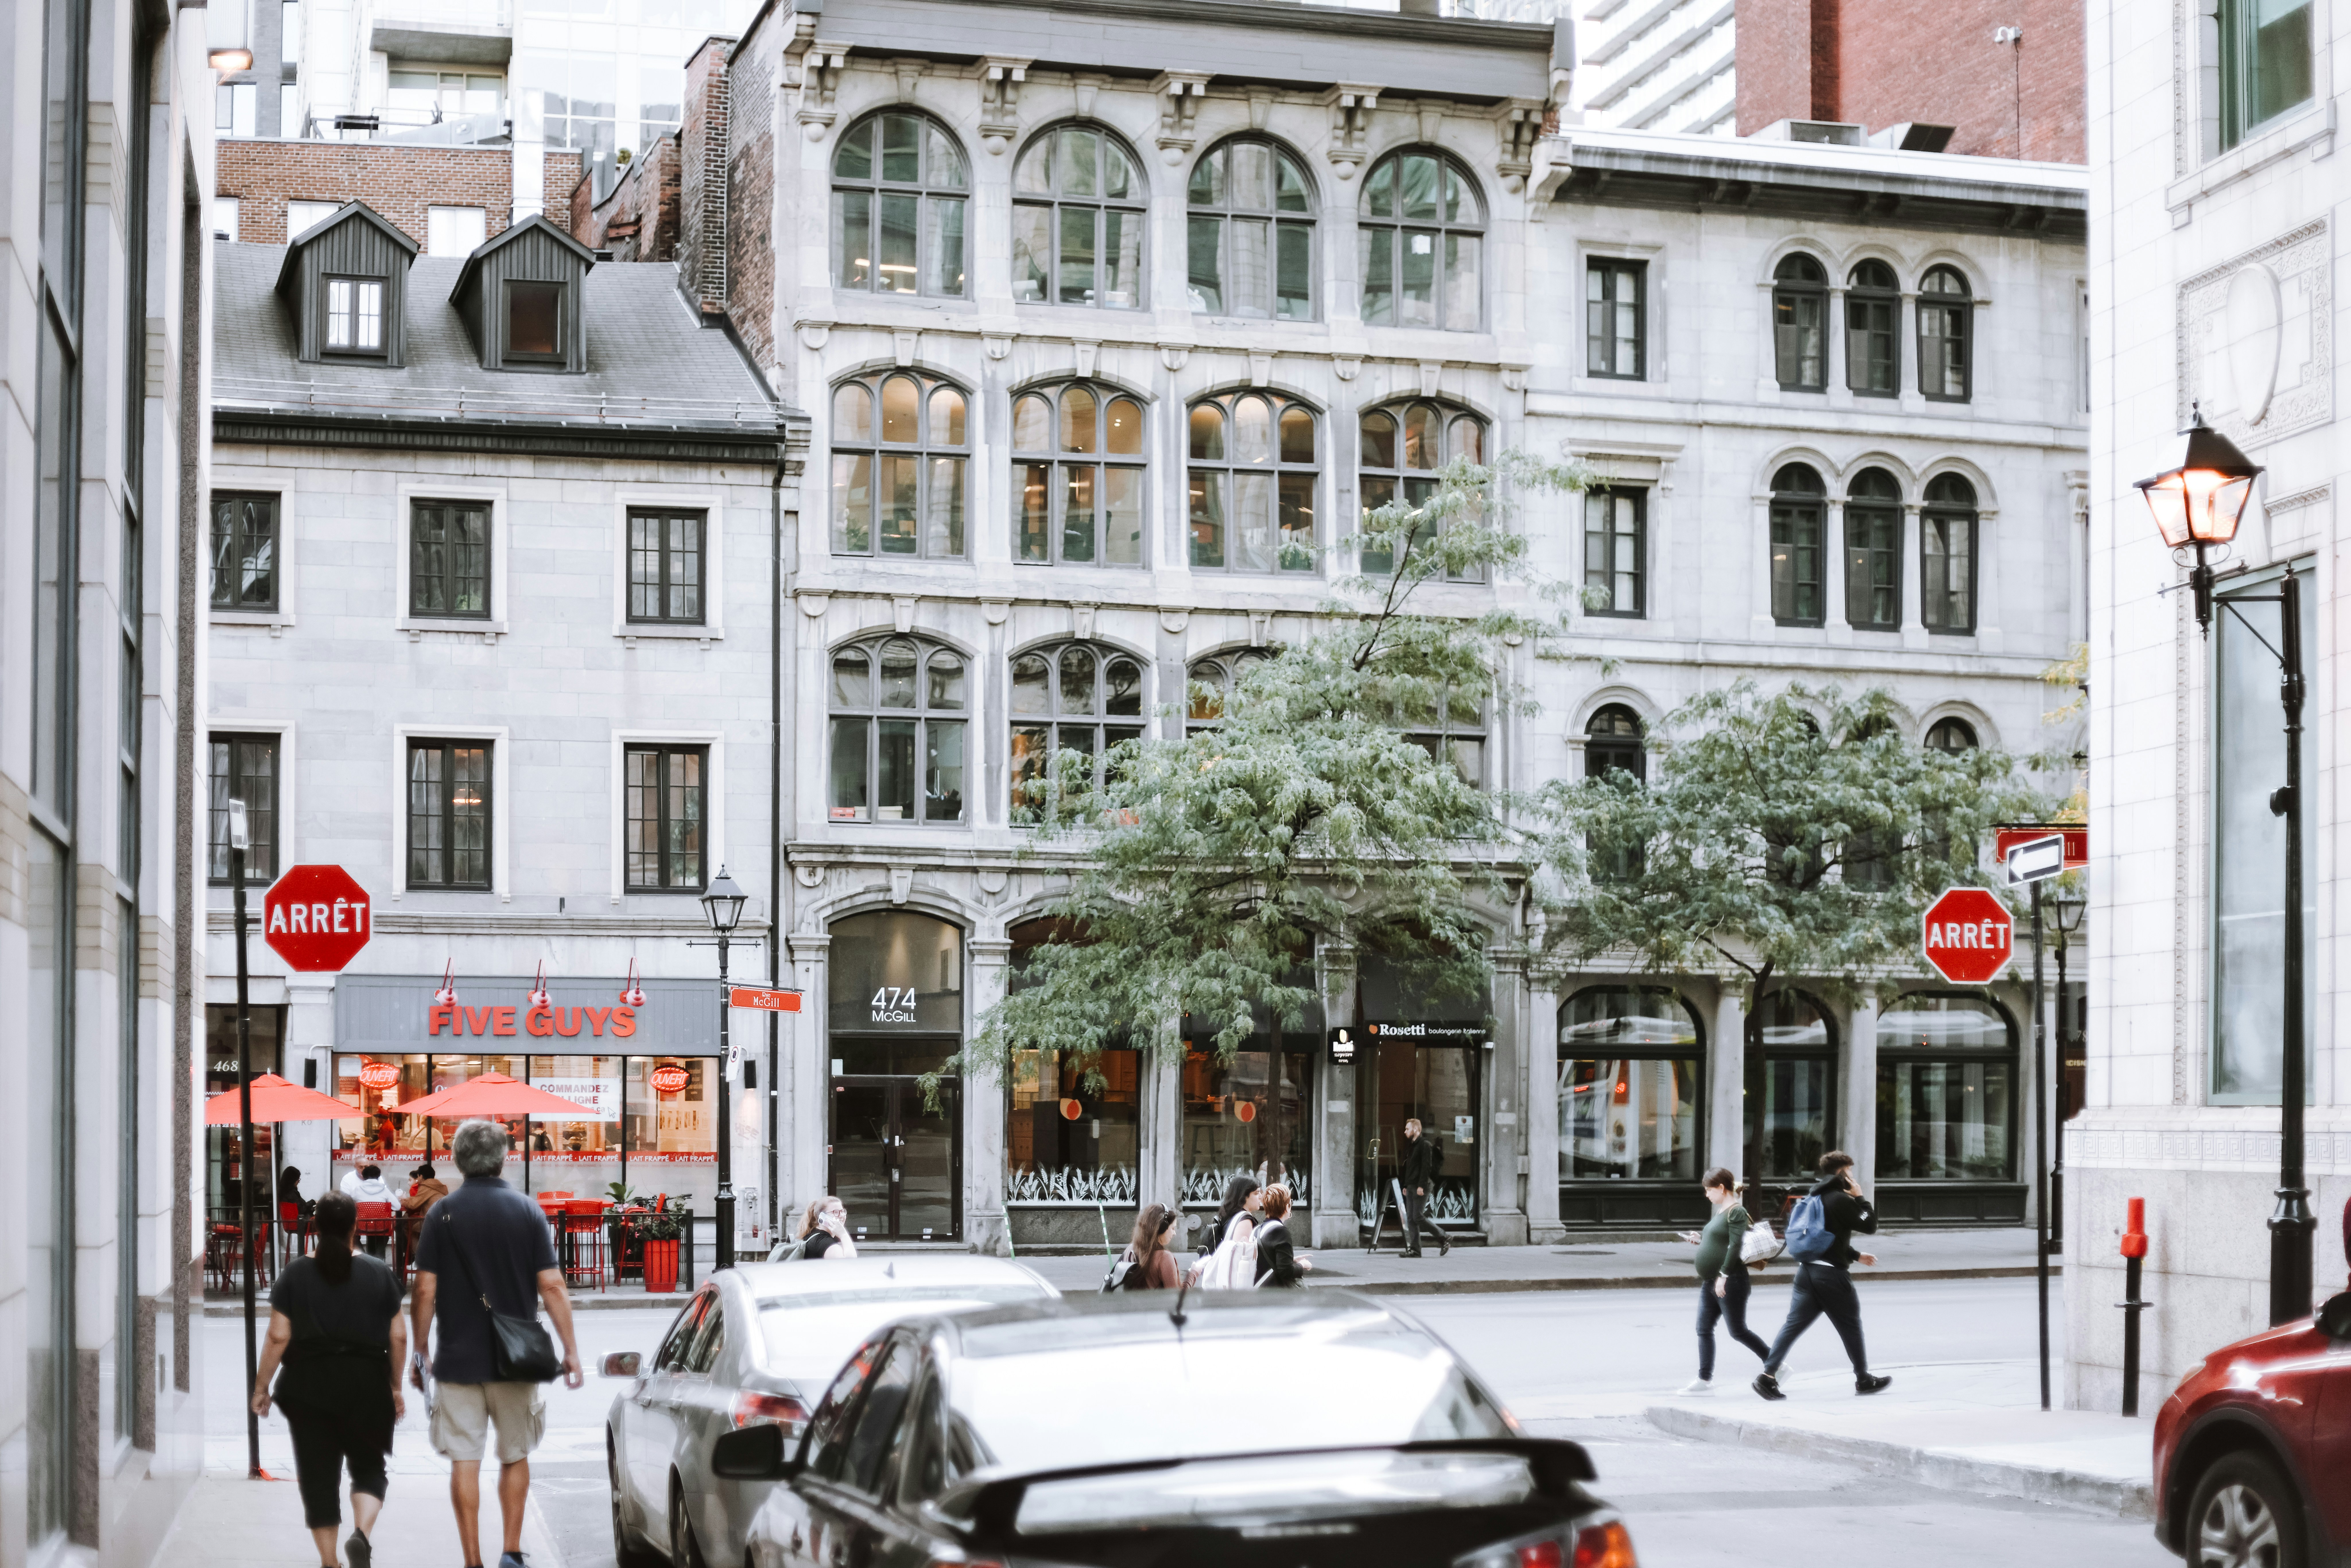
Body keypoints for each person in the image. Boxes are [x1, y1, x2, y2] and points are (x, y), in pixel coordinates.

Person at [411, 1119, 584, 1568]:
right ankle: (511, 1550)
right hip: (516, 1360)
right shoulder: (527, 1211)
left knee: (464, 1460)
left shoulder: (440, 1213)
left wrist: (421, 1349)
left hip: (457, 1359)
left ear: (458, 1160)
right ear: (503, 1158)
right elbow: (551, 1287)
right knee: (515, 1454)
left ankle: (473, 1560)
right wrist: (570, 1350)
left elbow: (425, 1291)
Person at [251, 1192, 407, 1568]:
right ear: (356, 1227)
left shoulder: (295, 1274)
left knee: (319, 1477)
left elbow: (277, 1336)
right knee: (369, 1468)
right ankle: (361, 1535)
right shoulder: (378, 1273)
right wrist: (396, 1386)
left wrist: (262, 1387)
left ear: (315, 1227)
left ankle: (330, 1563)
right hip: (368, 1383)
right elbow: (399, 1336)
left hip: (309, 1387)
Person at [1754, 1150, 1890, 1401]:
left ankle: (1767, 1377)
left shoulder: (1813, 1197)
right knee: (1851, 1326)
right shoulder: (1840, 1200)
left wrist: (1855, 1254)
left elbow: (1825, 1236)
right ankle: (1863, 1379)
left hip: (1806, 1273)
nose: (1852, 1175)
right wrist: (1861, 1198)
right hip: (1831, 1277)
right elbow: (1870, 1224)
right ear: (1844, 1172)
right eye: (1850, 1170)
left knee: (1792, 1326)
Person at [1676, 1168, 1771, 1395]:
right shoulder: (1721, 1211)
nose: (1707, 1194)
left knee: (1738, 1331)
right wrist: (1700, 1239)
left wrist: (1724, 1276)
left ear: (1721, 1188)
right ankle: (1705, 1379)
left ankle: (1775, 1363)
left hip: (1730, 1281)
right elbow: (1719, 1242)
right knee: (1704, 1329)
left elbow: (1736, 1245)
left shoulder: (1736, 1212)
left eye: (1709, 1190)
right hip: (1711, 1281)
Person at [1397, 1118, 1451, 1257]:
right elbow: (1410, 1167)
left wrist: (1421, 1186)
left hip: (1422, 1185)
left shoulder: (1425, 1145)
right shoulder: (1412, 1146)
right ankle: (1415, 1250)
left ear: (1416, 1130)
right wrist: (1405, 1185)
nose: (1405, 1131)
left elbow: (1427, 1167)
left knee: (1418, 1217)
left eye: (1407, 1129)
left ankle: (1443, 1237)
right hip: (1411, 1186)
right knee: (1411, 1219)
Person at [1253, 1185, 1314, 1288]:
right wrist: (1303, 1265)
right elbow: (1286, 1272)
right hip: (1275, 1294)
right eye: (1291, 1203)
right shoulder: (1280, 1232)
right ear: (1287, 1207)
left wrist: (1291, 1260)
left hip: (1260, 1289)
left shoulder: (1258, 1230)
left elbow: (1264, 1261)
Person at [1116, 1204, 1182, 1290]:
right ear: (1162, 1227)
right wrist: (1193, 1275)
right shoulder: (1165, 1258)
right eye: (1173, 1228)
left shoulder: (1130, 1249)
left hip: (1133, 1303)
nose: (1174, 1233)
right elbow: (1175, 1297)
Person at [401, 1162, 448, 1261]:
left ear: (421, 1176)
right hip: (444, 1222)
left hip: (429, 1222)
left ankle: (420, 1257)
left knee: (406, 1227)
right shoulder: (441, 1187)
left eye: (418, 1177)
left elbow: (413, 1204)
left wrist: (404, 1200)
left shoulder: (426, 1186)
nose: (418, 1179)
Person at [796, 1195, 858, 1260]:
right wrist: (843, 1235)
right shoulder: (823, 1241)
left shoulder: (815, 1235)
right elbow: (850, 1262)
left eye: (842, 1211)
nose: (842, 1216)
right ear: (823, 1217)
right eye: (836, 1212)